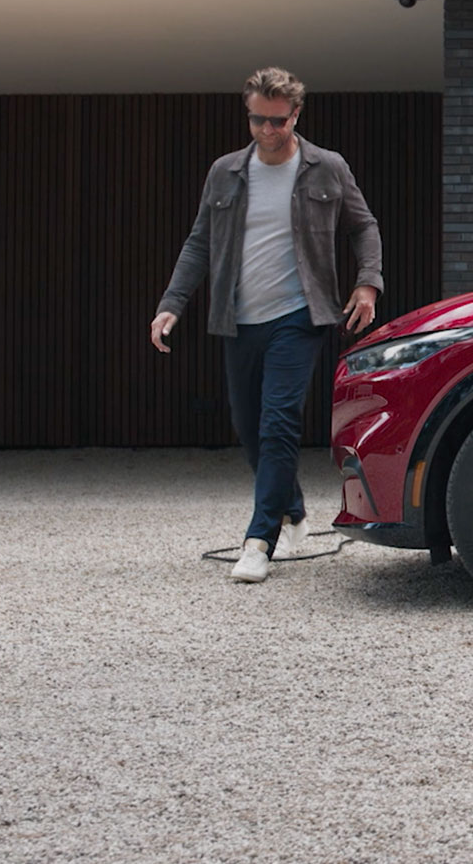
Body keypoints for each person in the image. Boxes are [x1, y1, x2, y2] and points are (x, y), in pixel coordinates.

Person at [150, 68, 384, 582]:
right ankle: (291, 505)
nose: (267, 129)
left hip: (300, 316)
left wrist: (368, 283)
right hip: (239, 319)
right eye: (258, 119)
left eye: (278, 121)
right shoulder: (226, 172)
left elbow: (362, 225)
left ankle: (259, 541)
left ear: (295, 115)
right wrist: (173, 303)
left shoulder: (327, 167)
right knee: (250, 428)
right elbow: (199, 243)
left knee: (279, 421)